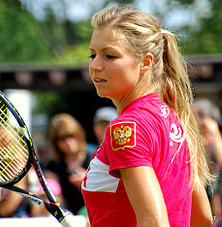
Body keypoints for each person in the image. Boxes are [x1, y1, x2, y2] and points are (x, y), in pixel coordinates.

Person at [81, 6, 213, 227]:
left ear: (146, 61)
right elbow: (202, 218)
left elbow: (154, 222)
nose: (95, 66)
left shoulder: (126, 128)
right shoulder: (174, 117)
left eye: (110, 55)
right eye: (93, 55)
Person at [45, 113, 90, 215]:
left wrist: (88, 181)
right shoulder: (54, 165)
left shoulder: (93, 156)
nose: (68, 142)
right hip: (67, 216)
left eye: (70, 136)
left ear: (78, 134)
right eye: (62, 139)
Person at [193, 98, 222, 225]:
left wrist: (214, 133)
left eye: (195, 115)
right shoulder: (200, 140)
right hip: (208, 198)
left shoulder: (217, 137)